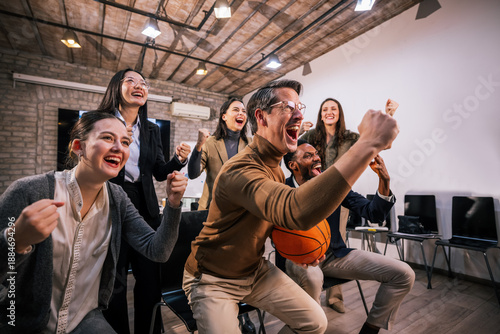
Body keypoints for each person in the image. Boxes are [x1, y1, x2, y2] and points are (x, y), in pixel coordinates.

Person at [182, 79, 399, 334]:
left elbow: (279, 223)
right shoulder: (239, 169)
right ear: (261, 117)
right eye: (287, 106)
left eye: (299, 106)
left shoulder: (275, 169)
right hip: (212, 279)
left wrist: (305, 247)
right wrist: (367, 143)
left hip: (254, 271)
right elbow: (294, 209)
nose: (299, 113)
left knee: (315, 323)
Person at [0, 111, 187, 334]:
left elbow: (158, 250)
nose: (119, 147)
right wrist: (16, 240)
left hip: (85, 321)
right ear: (78, 147)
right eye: (108, 138)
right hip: (23, 325)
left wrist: (174, 205)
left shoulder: (118, 200)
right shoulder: (29, 191)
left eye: (125, 141)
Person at [281, 141, 415, 334]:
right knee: (313, 278)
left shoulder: (332, 185)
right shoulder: (280, 189)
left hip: (335, 255)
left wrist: (384, 180)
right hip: (298, 259)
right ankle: (308, 328)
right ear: (293, 165)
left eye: (317, 154)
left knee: (403, 274)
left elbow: (374, 214)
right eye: (308, 155)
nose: (317, 157)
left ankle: (369, 330)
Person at [97, 68, 191, 334]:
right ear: (117, 87)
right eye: (131, 81)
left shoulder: (150, 129)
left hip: (146, 206)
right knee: (113, 281)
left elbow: (159, 172)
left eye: (144, 83)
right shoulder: (101, 122)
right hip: (110, 202)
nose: (139, 86)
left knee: (150, 279)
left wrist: (179, 160)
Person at [300, 98, 363, 312]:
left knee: (338, 240)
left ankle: (335, 298)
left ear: (339, 113)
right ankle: (312, 297)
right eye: (325, 109)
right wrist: (300, 129)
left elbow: (372, 145)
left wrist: (389, 116)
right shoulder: (310, 136)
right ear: (320, 114)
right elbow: (293, 152)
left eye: (333, 109)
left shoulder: (351, 137)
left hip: (340, 196)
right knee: (312, 239)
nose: (329, 112)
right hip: (313, 196)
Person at [187, 97, 251, 210]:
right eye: (236, 110)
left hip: (241, 210)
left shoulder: (251, 144)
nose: (241, 113)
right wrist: (199, 145)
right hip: (211, 209)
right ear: (224, 116)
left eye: (243, 111)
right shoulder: (209, 143)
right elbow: (193, 173)